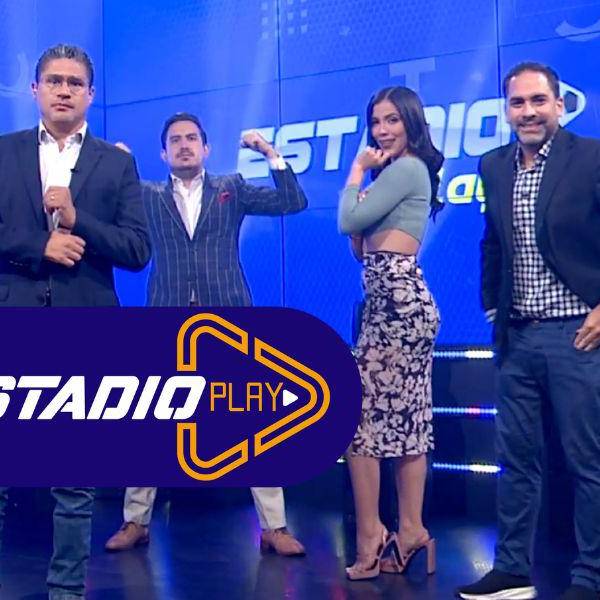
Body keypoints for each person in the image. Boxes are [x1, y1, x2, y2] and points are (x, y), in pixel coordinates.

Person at [104, 112, 308, 557]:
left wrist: (269, 153)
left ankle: (274, 526)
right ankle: (136, 521)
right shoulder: (146, 195)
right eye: (175, 140)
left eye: (192, 138)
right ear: (163, 153)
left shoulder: (231, 188)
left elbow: (292, 201)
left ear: (206, 148)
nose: (184, 145)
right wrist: (114, 165)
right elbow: (104, 209)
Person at [0, 44, 150, 599]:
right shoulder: (3, 152)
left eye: (74, 82)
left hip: (84, 327)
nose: (63, 90)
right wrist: (40, 244)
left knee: (74, 480)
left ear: (90, 94)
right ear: (35, 89)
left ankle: (66, 591)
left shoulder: (116, 163)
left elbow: (137, 249)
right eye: (53, 80)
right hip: (13, 320)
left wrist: (77, 218)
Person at [455, 62, 600, 600]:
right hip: (516, 337)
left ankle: (591, 576)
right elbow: (492, 243)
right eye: (518, 103)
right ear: (507, 110)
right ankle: (513, 571)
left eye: (539, 101)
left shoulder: (591, 157)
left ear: (559, 105)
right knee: (516, 462)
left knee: (588, 462)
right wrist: (493, 310)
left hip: (578, 335)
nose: (528, 112)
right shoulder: (494, 165)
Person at [338, 86, 443, 580]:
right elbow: (361, 247)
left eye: (392, 120)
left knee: (357, 424)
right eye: (376, 121)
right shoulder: (399, 174)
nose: (382, 130)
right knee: (405, 424)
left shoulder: (405, 169)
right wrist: (362, 214)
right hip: (390, 306)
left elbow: (348, 221)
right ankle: (411, 530)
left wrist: (357, 171)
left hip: (399, 308)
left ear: (411, 123)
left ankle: (371, 537)